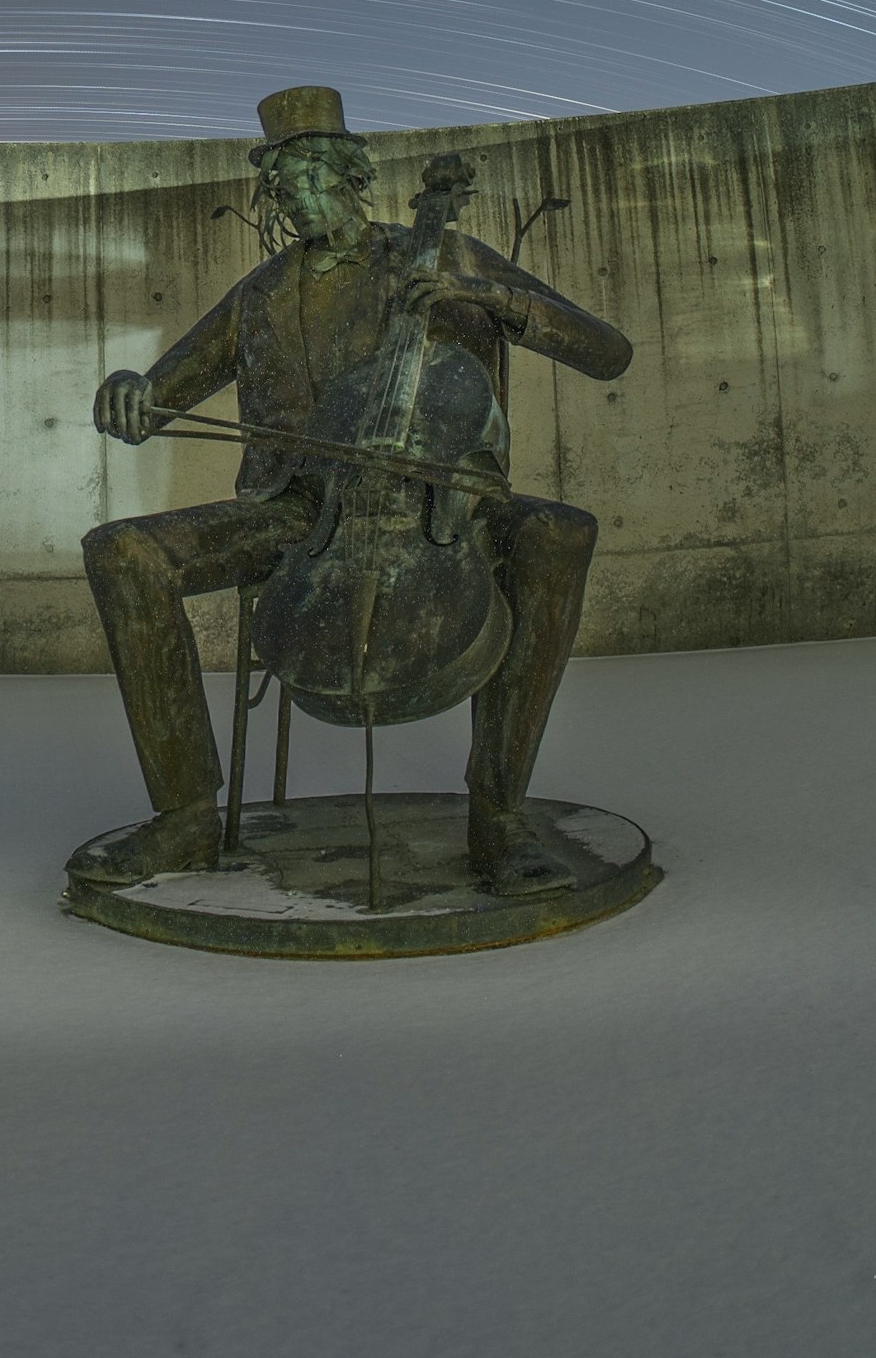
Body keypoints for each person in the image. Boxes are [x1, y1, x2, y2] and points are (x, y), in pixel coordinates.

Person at [76, 86, 634, 897]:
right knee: (121, 550)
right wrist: (131, 391)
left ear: (349, 175)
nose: (290, 198)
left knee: (557, 534)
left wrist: (491, 301)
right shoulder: (260, 295)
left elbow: (607, 351)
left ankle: (500, 815)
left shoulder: (442, 254)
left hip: (443, 502)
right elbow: (161, 393)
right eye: (279, 185)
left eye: (306, 178)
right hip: (302, 513)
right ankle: (185, 814)